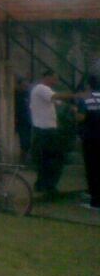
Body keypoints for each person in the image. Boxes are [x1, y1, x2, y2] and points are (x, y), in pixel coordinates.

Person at [29, 70, 74, 200]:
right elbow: (56, 98)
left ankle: (43, 184)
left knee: (46, 159)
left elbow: (58, 102)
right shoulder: (41, 88)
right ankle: (48, 185)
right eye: (54, 79)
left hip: (45, 130)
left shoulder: (45, 91)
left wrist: (70, 108)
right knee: (54, 158)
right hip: (45, 130)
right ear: (47, 78)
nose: (55, 82)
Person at [76, 75, 100, 210]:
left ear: (88, 85)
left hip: (90, 137)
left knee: (92, 168)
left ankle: (95, 201)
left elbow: (81, 117)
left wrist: (75, 112)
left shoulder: (86, 97)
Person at [14, 76, 32, 163]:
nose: (25, 87)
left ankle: (26, 160)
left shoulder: (27, 94)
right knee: (24, 142)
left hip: (29, 121)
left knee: (28, 142)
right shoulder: (15, 95)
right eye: (24, 85)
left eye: (26, 85)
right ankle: (22, 161)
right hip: (21, 122)